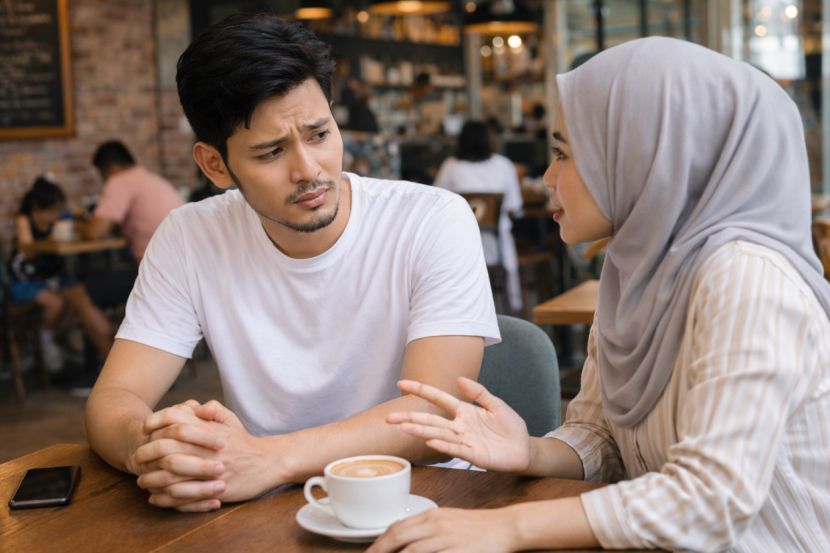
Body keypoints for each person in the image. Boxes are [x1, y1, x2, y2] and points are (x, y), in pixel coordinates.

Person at [369, 37, 830, 553]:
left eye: (563, 153)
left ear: (641, 155)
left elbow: (710, 499)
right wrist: (530, 452)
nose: (547, 177)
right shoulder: (635, 268)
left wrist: (508, 527)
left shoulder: (748, 281)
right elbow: (602, 436)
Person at [85, 14, 499, 513]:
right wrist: (150, 449)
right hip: (266, 508)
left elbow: (437, 414)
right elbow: (115, 397)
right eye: (271, 152)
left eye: (319, 134)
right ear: (215, 165)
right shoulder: (190, 236)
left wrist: (268, 460)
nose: (309, 170)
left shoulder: (432, 219)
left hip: (425, 500)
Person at [8, 177, 113, 369]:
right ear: (36, 206)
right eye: (51, 210)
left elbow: (80, 226)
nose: (55, 215)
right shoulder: (24, 220)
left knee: (78, 296)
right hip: (26, 278)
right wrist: (53, 237)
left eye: (58, 210)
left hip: (53, 276)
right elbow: (28, 249)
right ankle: (44, 341)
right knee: (56, 303)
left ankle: (53, 340)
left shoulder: (61, 220)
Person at [434, 121, 524, 312]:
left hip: (458, 250)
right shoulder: (503, 165)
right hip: (497, 249)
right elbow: (514, 207)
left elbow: (436, 205)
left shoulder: (450, 167)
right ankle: (511, 310)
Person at [83, 140, 184, 262]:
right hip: (182, 258)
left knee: (92, 277)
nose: (103, 180)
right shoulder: (153, 179)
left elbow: (95, 233)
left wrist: (79, 228)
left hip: (157, 264)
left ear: (111, 168)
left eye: (102, 174)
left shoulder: (119, 181)